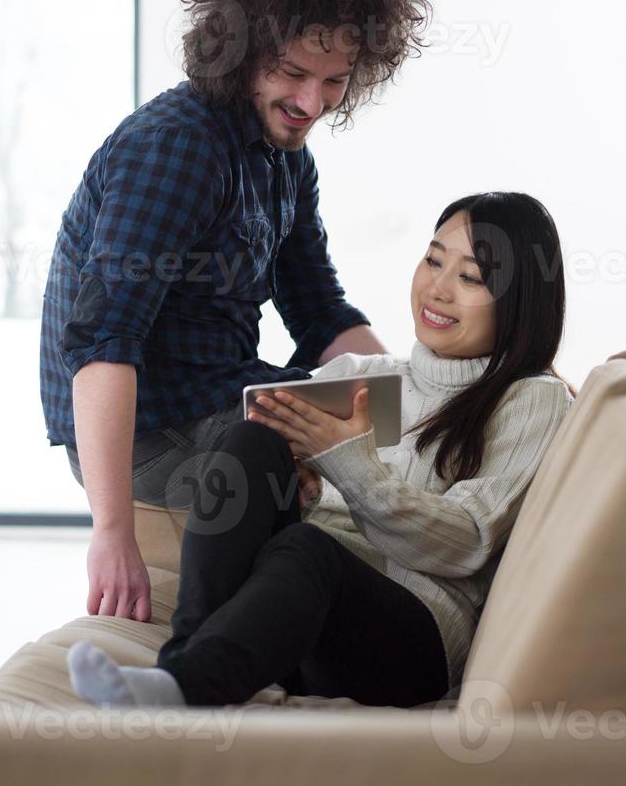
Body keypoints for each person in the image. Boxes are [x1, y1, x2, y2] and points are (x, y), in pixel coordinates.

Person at [40, 0, 437, 624]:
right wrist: (110, 535)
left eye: (333, 81)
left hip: (223, 394)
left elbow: (319, 313)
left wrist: (412, 394)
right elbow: (103, 341)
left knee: (424, 408)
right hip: (153, 429)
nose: (310, 103)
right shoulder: (175, 149)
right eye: (291, 74)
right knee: (378, 435)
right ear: (239, 54)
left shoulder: (286, 158)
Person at [65, 192, 575, 709]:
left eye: (469, 277)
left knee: (306, 549)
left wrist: (345, 459)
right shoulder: (367, 375)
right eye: (433, 259)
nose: (437, 289)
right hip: (302, 625)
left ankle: (187, 685)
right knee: (251, 440)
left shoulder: (530, 398)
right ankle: (184, 666)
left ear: (518, 300)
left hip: (410, 644)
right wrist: (300, 476)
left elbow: (464, 544)